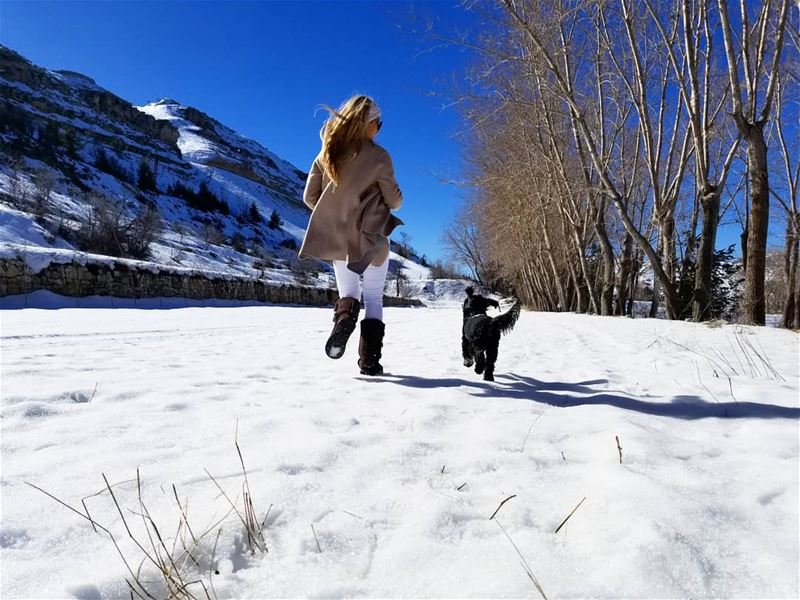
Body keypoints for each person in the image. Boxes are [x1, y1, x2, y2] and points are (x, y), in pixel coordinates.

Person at [299, 95, 403, 375]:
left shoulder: (327, 153)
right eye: (378, 123)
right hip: (373, 239)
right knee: (374, 298)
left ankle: (344, 320)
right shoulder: (379, 156)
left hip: (340, 242)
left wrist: (338, 210)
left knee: (349, 292)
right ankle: (369, 362)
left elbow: (311, 198)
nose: (379, 129)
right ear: (368, 124)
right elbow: (394, 201)